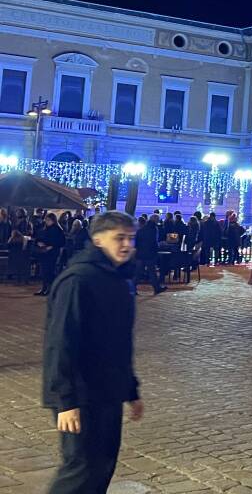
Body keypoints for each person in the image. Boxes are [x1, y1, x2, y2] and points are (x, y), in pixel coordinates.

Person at [41, 210, 144, 493]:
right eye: (119, 238)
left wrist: (131, 390)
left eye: (131, 238)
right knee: (80, 468)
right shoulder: (79, 279)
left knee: (102, 465)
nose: (126, 245)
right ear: (98, 240)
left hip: (107, 389)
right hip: (81, 392)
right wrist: (66, 400)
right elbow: (61, 340)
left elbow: (120, 343)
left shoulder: (119, 279)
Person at [35, 213, 67, 296]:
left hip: (52, 253)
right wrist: (39, 243)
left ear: (53, 220)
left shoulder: (57, 230)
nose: (46, 221)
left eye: (48, 220)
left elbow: (61, 241)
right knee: (44, 270)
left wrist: (51, 246)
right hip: (44, 252)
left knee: (50, 270)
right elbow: (39, 237)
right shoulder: (45, 229)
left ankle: (50, 288)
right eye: (46, 220)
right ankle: (44, 287)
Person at [133, 216, 166, 295]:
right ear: (155, 220)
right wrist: (157, 249)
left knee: (138, 272)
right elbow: (154, 242)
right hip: (150, 254)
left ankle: (132, 288)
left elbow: (136, 241)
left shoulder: (141, 229)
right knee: (152, 272)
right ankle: (156, 288)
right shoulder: (154, 229)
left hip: (140, 254)